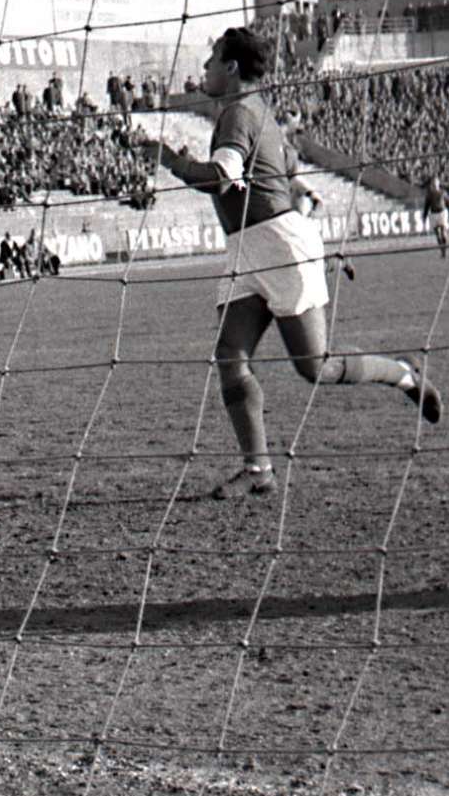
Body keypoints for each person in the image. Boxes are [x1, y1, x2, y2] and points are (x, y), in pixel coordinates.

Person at [141, 26, 440, 499]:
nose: (205, 68)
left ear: (231, 66)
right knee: (230, 355)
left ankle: (403, 373)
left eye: (212, 59)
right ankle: (258, 468)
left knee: (315, 367)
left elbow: (221, 178)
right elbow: (275, 180)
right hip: (247, 248)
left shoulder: (240, 112)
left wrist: (168, 160)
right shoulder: (254, 114)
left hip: (277, 246)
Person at [426, 174, 449, 258]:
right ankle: (442, 251)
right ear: (432, 184)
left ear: (438, 183)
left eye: (436, 182)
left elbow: (448, 203)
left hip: (442, 213)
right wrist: (424, 216)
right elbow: (427, 205)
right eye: (433, 182)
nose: (434, 184)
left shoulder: (443, 192)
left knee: (443, 233)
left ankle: (444, 250)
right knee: (437, 234)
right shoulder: (429, 194)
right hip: (433, 214)